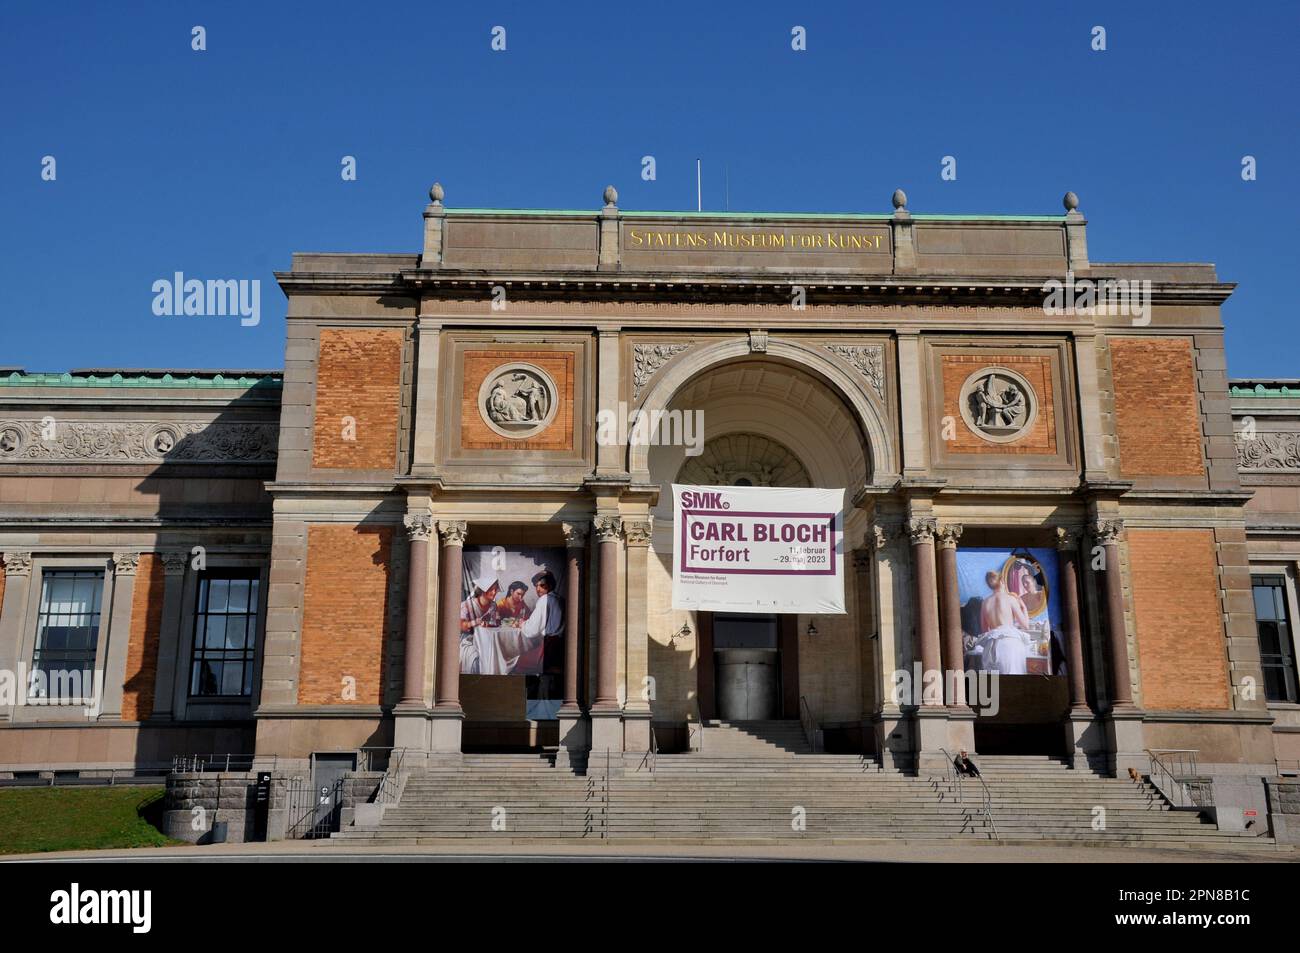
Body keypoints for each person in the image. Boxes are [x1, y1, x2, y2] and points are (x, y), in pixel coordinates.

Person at [976, 570, 1032, 675]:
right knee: (1012, 682)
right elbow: (1025, 625)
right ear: (1002, 581)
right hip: (1009, 645)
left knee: (994, 685)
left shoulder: (985, 603)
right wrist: (1023, 606)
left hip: (991, 646)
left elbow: (984, 630)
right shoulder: (1010, 598)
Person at [518, 570, 564, 674]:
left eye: (542, 585)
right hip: (562, 646)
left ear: (550, 585)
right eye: (536, 585)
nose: (538, 589)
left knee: (519, 661)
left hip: (550, 649)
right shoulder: (561, 599)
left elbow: (532, 630)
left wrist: (522, 624)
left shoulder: (545, 599)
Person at [458, 575, 500, 674]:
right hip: (468, 640)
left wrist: (489, 624)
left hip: (487, 638)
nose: (494, 593)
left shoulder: (493, 605)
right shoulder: (466, 605)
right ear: (482, 590)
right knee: (475, 656)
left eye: (495, 589)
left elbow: (495, 623)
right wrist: (475, 623)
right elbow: (461, 626)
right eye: (491, 590)